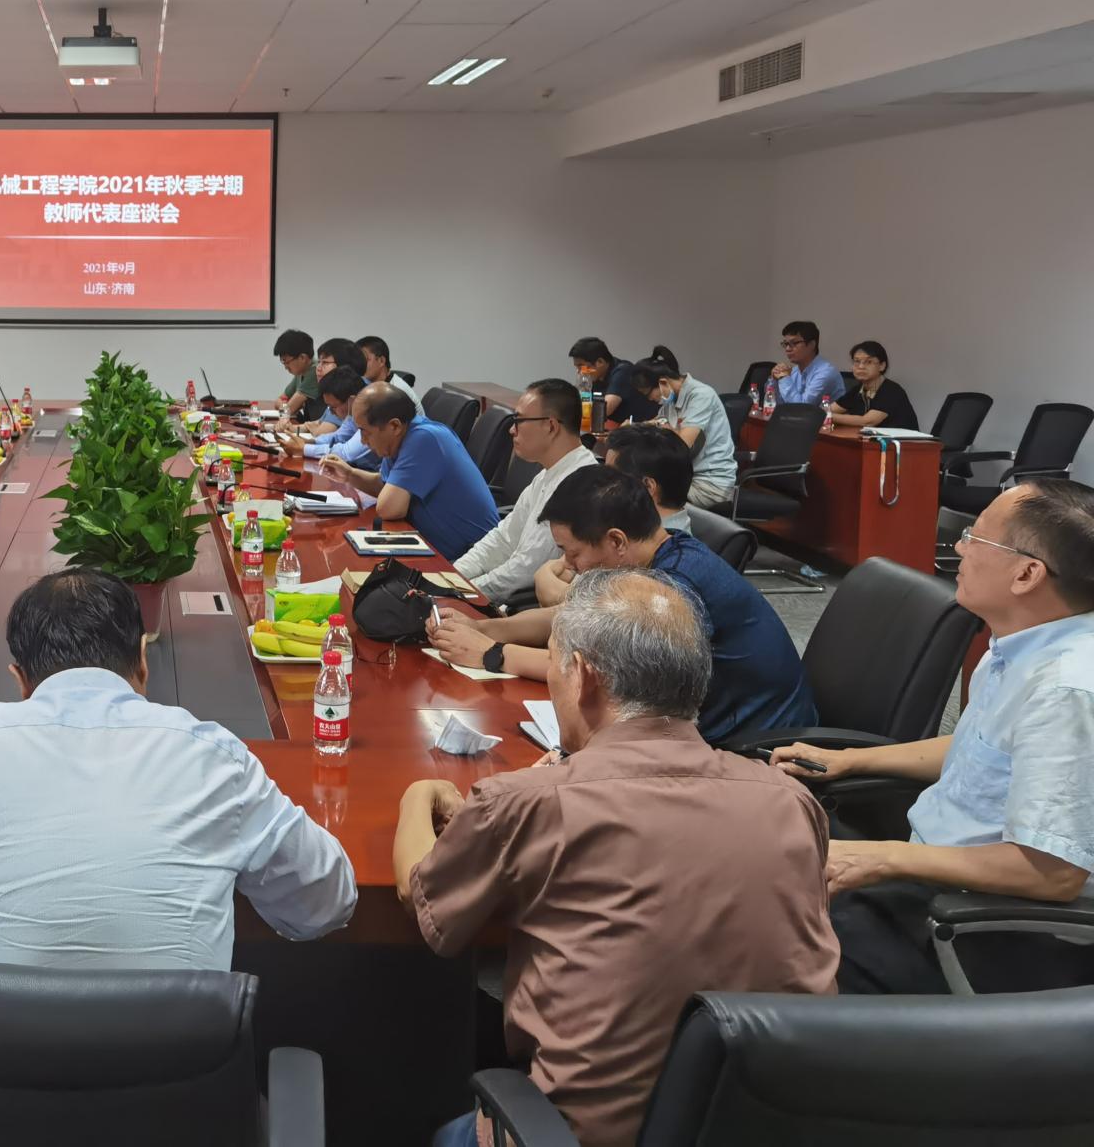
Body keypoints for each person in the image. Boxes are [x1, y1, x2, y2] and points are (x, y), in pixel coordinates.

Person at [398, 569, 837, 1147]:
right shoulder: (792, 801)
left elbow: (423, 902)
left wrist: (418, 796)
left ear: (581, 676)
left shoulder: (526, 804)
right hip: (769, 1126)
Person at [0, 568, 356, 968]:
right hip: (173, 1071)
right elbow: (325, 902)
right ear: (143, 659)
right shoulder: (214, 757)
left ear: (20, 679)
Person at [773, 478, 1094, 994]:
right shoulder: (1017, 645)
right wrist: (851, 760)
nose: (959, 548)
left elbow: (1052, 873)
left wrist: (882, 858)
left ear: (1027, 574)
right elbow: (980, 748)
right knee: (753, 864)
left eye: (975, 537)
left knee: (752, 943)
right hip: (930, 876)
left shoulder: (1065, 688)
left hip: (985, 929)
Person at [430, 466, 817, 745]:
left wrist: (493, 654)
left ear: (616, 541)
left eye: (573, 552)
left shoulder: (671, 590)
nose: (569, 565)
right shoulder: (660, 552)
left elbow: (602, 673)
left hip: (751, 743)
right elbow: (572, 618)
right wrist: (486, 627)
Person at [452, 379, 597, 601]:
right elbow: (503, 539)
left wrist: (462, 592)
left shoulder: (580, 484)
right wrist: (453, 576)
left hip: (529, 605)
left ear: (550, 426)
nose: (512, 429)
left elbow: (525, 571)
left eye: (518, 420)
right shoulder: (548, 473)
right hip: (504, 593)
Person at [317, 382, 497, 561]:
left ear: (394, 426)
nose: (363, 441)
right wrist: (349, 475)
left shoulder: (424, 439)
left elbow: (389, 509)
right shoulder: (400, 437)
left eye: (365, 431)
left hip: (469, 558)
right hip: (433, 548)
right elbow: (386, 486)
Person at [535, 426, 695, 606]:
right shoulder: (653, 535)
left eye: (612, 475)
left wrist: (557, 590)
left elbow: (608, 609)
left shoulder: (668, 571)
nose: (601, 482)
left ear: (647, 487)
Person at [632, 352, 737, 507]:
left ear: (663, 382)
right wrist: (634, 428)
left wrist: (665, 430)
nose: (650, 399)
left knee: (645, 499)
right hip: (686, 478)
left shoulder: (701, 396)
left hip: (709, 484)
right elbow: (656, 423)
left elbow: (681, 446)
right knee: (635, 485)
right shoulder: (671, 399)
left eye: (648, 394)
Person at [283, 368, 372, 464]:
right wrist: (309, 442)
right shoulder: (353, 415)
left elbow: (345, 453)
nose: (332, 413)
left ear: (351, 401)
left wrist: (304, 449)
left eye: (333, 407)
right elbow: (337, 437)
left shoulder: (372, 415)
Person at [827, 340, 920, 431]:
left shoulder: (892, 391)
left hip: (902, 440)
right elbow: (828, 409)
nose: (861, 366)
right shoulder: (857, 390)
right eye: (857, 361)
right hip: (871, 440)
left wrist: (828, 416)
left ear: (882, 366)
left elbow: (867, 421)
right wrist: (824, 413)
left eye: (869, 362)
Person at [568, 337, 661, 426]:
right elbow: (574, 406)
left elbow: (603, 411)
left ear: (600, 362)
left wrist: (583, 391)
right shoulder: (594, 377)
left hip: (648, 429)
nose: (579, 372)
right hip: (619, 429)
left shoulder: (623, 371)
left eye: (581, 366)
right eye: (577, 367)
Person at [295, 339, 368, 437]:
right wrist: (290, 428)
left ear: (344, 365)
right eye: (319, 362)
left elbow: (321, 433)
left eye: (325, 363)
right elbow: (317, 423)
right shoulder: (335, 390)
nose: (318, 368)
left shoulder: (354, 392)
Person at [772, 320, 846, 406]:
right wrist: (775, 379)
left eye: (794, 343)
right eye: (786, 344)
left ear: (812, 344)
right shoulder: (794, 371)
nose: (787, 349)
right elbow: (777, 404)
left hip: (826, 415)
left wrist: (784, 378)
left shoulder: (825, 372)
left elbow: (802, 407)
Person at [273, 329, 320, 422]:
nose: (285, 367)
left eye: (287, 362)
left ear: (302, 358)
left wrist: (285, 407)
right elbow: (279, 400)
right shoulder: (301, 371)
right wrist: (285, 406)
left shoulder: (315, 371)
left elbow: (288, 411)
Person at [356, 335, 416, 402]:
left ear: (381, 361)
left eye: (365, 359)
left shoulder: (396, 392)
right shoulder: (368, 383)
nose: (360, 364)